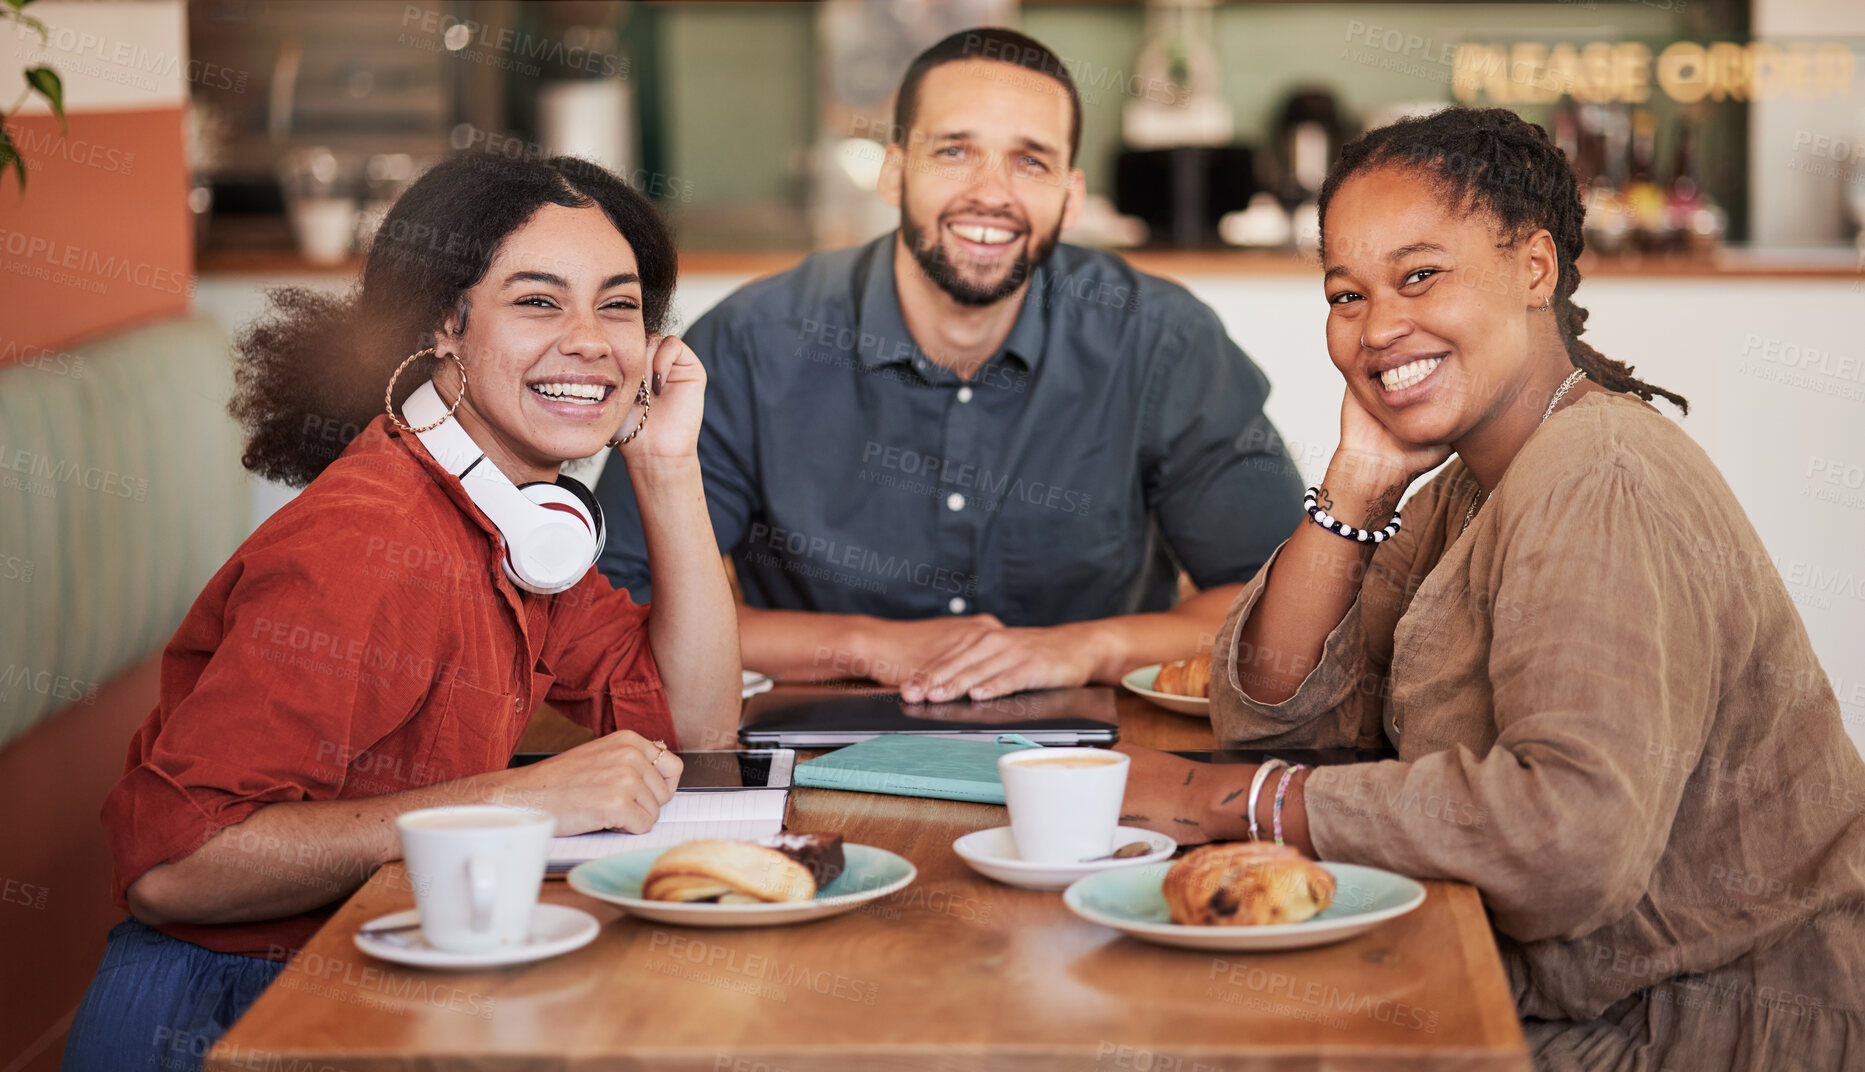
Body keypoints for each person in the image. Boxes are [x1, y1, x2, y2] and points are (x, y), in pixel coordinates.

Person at [1117, 107, 1865, 1070]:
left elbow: (1568, 839)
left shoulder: (1600, 473)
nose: (1380, 325)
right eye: (1347, 294)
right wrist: (1355, 478)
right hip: (1559, 987)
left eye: (1419, 274)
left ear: (1534, 270)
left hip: (1697, 1028)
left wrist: (1229, 802)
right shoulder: (1474, 476)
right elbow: (1272, 717)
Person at [63, 153, 741, 1071]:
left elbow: (696, 725)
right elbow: (177, 869)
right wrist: (514, 802)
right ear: (443, 327)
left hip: (377, 982)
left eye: (618, 305)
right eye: (538, 301)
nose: (592, 339)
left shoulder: (514, 517)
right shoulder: (368, 544)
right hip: (239, 1015)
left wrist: (666, 466)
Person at [594, 27, 1303, 704]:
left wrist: (1078, 649)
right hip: (811, 748)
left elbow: (1283, 605)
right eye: (955, 151)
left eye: (1031, 160)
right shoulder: (750, 342)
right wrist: (874, 646)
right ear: (895, 171)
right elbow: (622, 605)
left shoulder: (1161, 340)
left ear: (1071, 194)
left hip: (1099, 759)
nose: (991, 192)